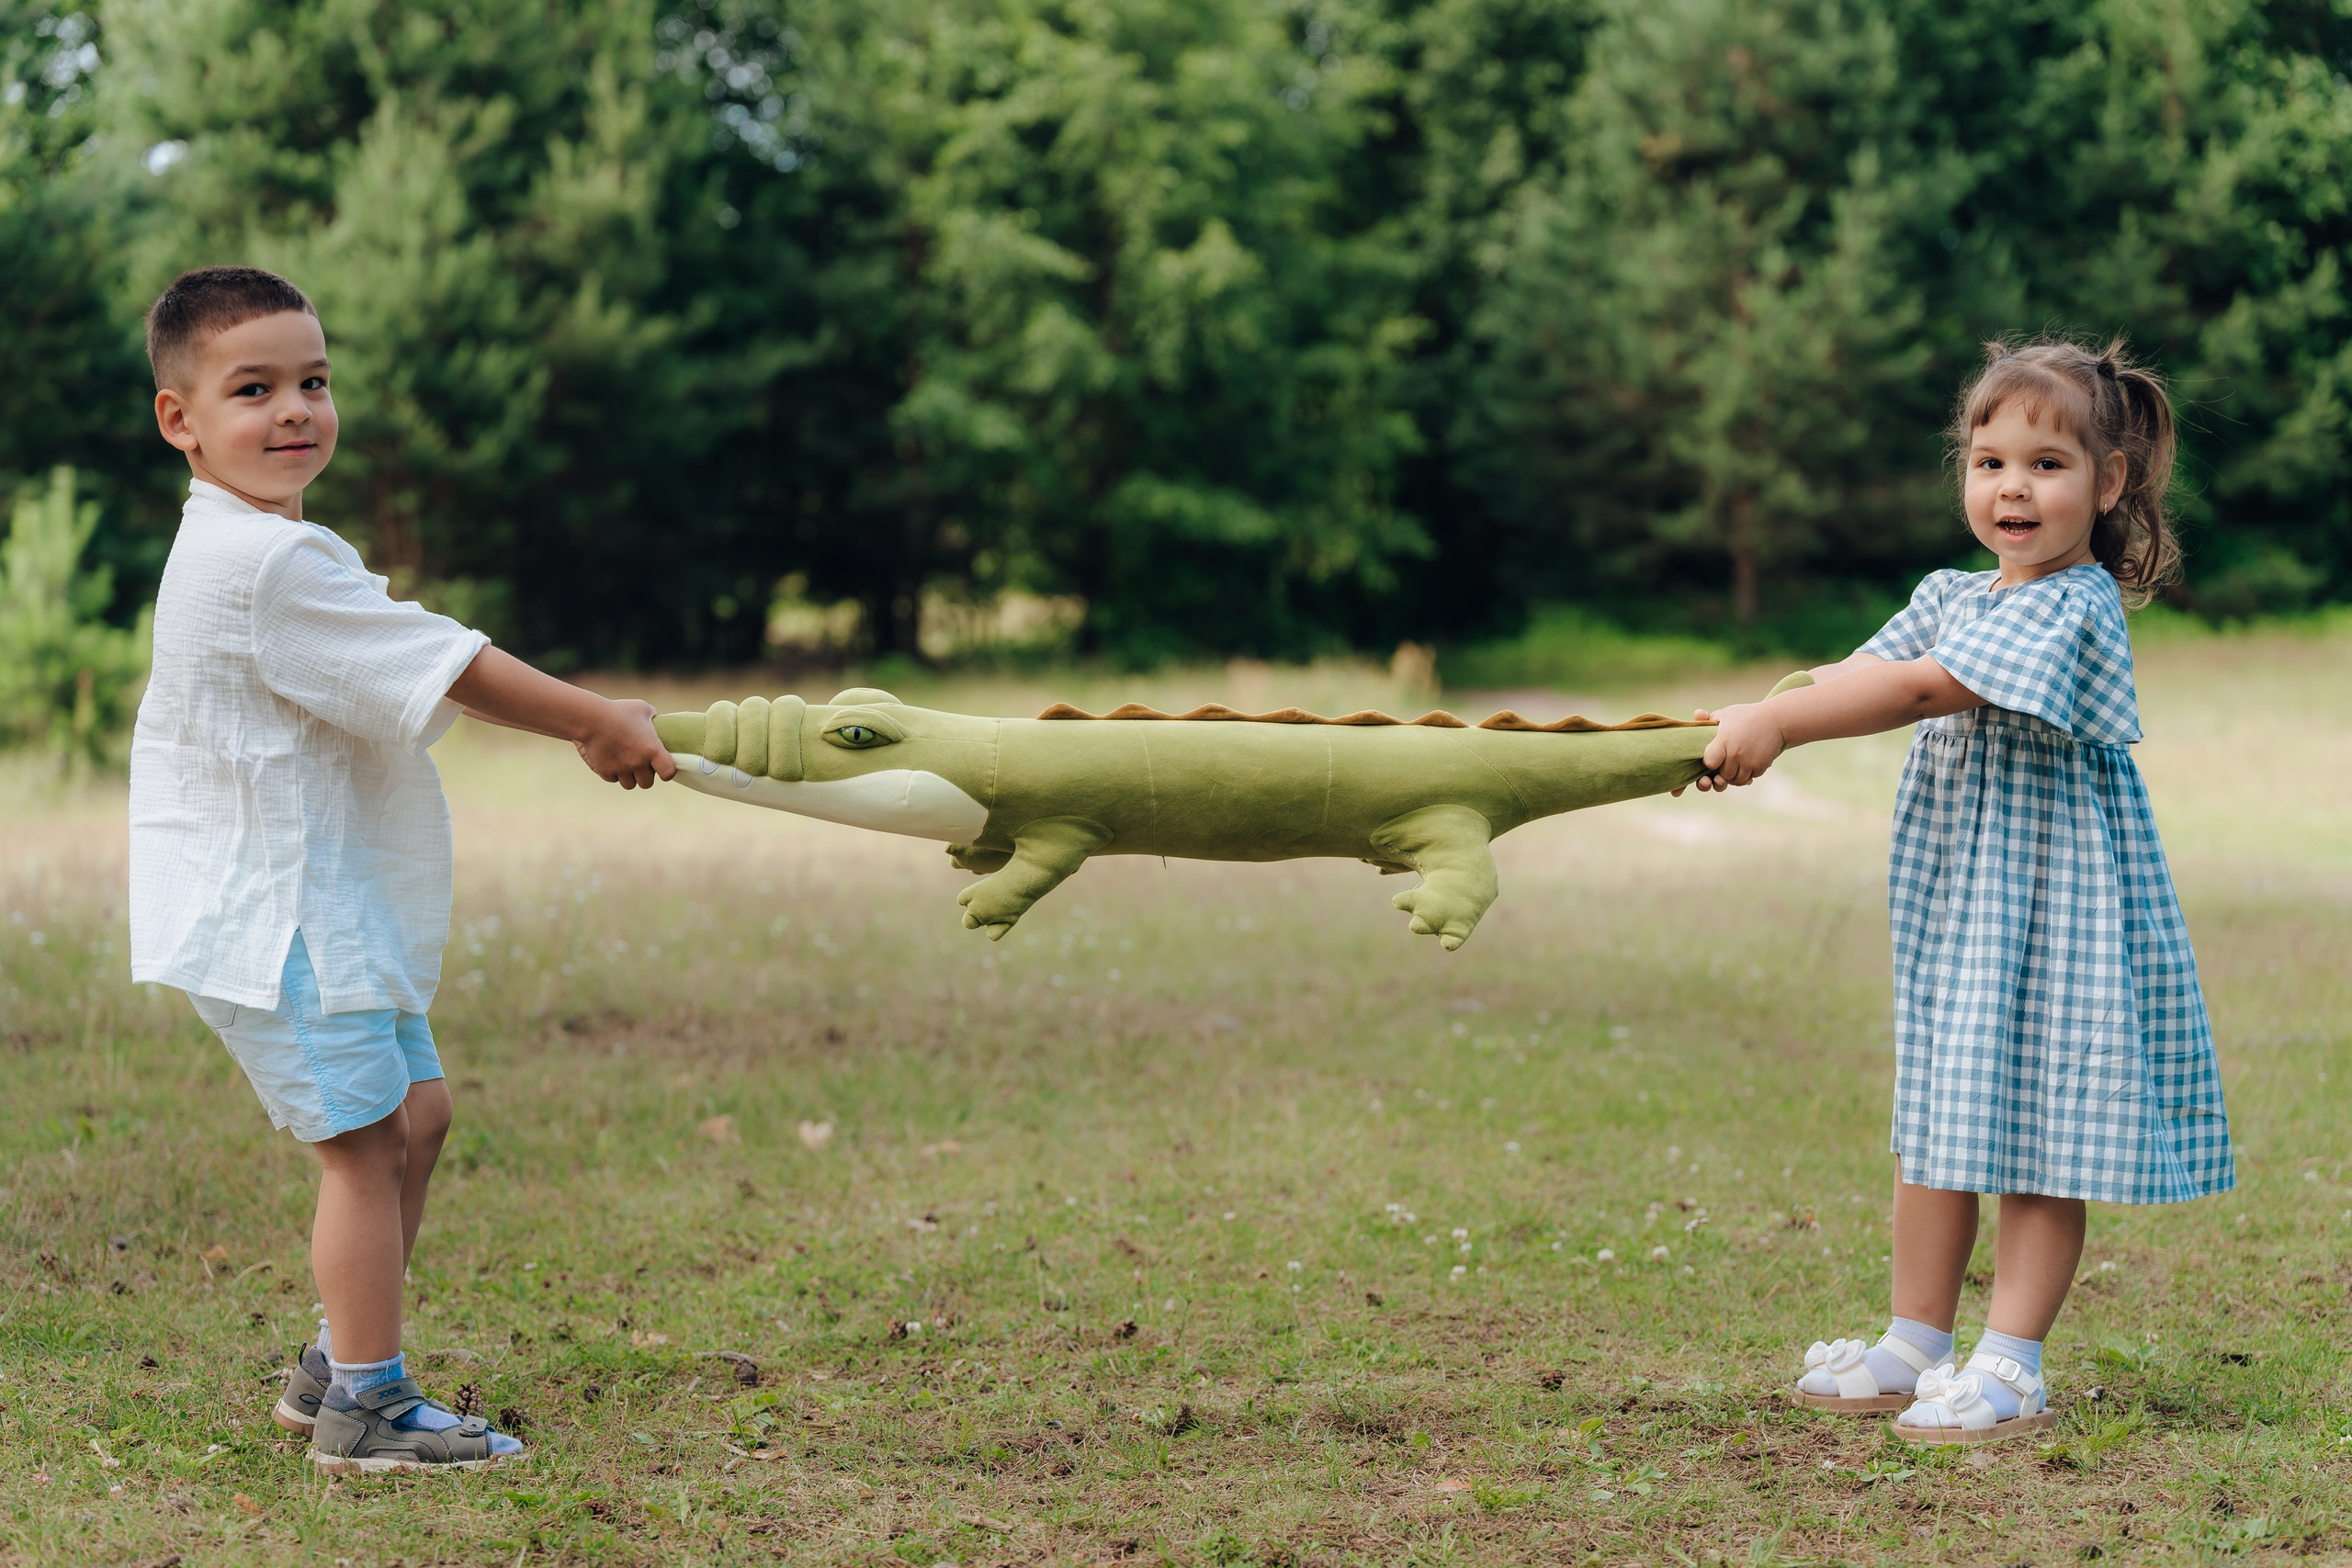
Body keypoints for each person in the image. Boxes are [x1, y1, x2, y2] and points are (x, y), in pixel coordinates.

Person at [129, 266, 675, 1471]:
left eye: (313, 383)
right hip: (278, 918)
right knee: (366, 1142)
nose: (294, 412)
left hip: (320, 903)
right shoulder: (258, 565)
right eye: (253, 387)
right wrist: (592, 716)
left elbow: (407, 649)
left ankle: (337, 1361)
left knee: (417, 1116)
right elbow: (447, 659)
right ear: (182, 418)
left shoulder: (273, 542)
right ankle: (368, 1406)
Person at [1685, 337, 2233, 1445]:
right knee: (1934, 1112)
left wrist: (1783, 723)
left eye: (2045, 464)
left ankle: (2012, 1362)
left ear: (2108, 483)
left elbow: (1923, 690)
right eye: (1989, 462)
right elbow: (1852, 677)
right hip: (1961, 905)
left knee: (2039, 1128)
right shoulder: (1950, 591)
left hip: (2056, 908)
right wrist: (1750, 714)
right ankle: (1912, 1342)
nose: (2012, 488)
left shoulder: (2069, 604)